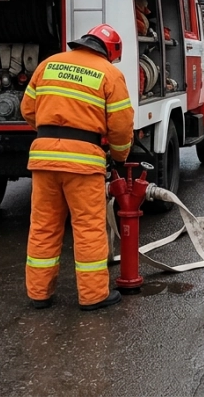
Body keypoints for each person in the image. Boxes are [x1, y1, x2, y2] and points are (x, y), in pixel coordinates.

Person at [20, 23, 134, 311]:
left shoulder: (49, 64)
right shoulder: (109, 73)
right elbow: (121, 126)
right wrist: (119, 156)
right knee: (88, 228)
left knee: (43, 226)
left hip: (44, 159)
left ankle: (39, 294)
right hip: (84, 163)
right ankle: (93, 295)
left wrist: (51, 134)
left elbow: (28, 110)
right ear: (111, 52)